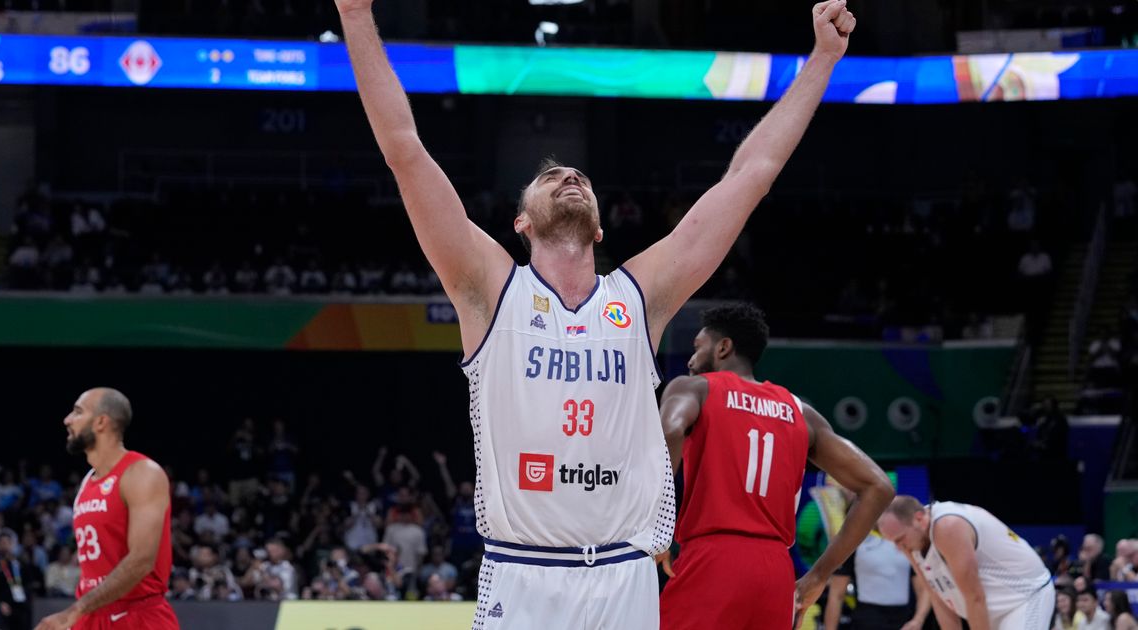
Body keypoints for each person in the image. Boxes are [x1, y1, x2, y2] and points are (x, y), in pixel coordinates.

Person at [333, 0, 857, 625]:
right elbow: (404, 148)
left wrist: (822, 60)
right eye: (549, 176)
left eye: (577, 174)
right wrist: (356, 13)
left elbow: (752, 174)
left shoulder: (638, 297)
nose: (569, 174)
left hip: (622, 574)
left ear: (602, 227)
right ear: (521, 221)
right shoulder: (488, 288)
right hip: (522, 569)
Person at [657, 304, 894, 629]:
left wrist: (656, 527)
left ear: (723, 347)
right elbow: (878, 486)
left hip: (713, 559)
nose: (690, 360)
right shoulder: (801, 411)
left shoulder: (695, 388)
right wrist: (821, 574)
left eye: (698, 348)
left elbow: (669, 431)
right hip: (776, 571)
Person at [35, 388, 179, 630]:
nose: (67, 419)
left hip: (138, 617)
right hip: (92, 615)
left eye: (77, 412)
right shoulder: (87, 482)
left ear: (101, 422)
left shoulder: (141, 473)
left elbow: (141, 561)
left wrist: (75, 610)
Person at [877, 496, 1054, 630]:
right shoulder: (911, 538)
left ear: (919, 519)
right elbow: (938, 597)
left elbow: (975, 596)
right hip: (989, 610)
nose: (899, 548)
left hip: (1025, 597)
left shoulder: (948, 527)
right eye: (893, 542)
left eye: (900, 540)